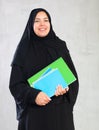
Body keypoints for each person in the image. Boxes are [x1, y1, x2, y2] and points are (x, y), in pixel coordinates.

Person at [9, 8, 79, 130]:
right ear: (31, 24)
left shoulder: (60, 46)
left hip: (60, 116)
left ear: (50, 23)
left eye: (46, 20)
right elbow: (15, 85)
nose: (42, 24)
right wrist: (34, 95)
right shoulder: (23, 50)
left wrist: (66, 88)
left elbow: (73, 80)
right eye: (37, 21)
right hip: (34, 117)